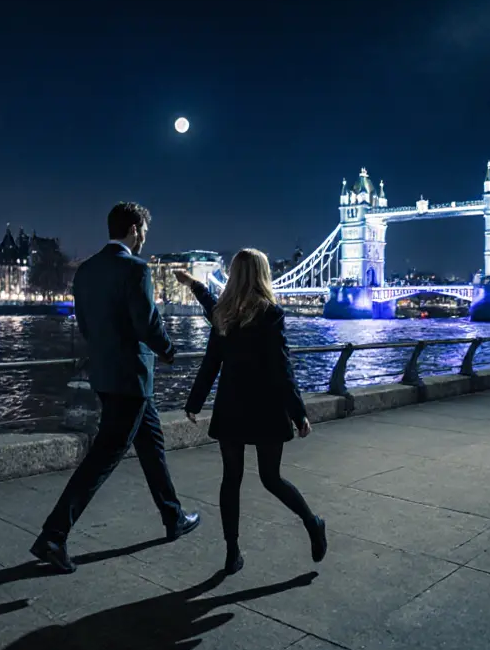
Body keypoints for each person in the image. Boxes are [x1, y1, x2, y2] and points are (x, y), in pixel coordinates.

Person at [31, 202, 199, 574]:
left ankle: (173, 518)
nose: (144, 240)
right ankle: (53, 536)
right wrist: (168, 350)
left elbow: (86, 324)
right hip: (131, 378)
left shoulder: (86, 270)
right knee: (103, 458)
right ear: (135, 229)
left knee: (152, 446)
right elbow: (147, 321)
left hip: (105, 374)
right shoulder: (136, 269)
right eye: (144, 233)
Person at [180, 250, 326, 575]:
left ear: (232, 275)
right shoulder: (271, 314)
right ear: (263, 274)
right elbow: (282, 368)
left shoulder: (222, 315)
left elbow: (210, 364)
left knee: (231, 480)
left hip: (231, 406)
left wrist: (194, 402)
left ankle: (232, 554)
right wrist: (298, 412)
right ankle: (312, 522)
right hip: (267, 407)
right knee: (271, 478)